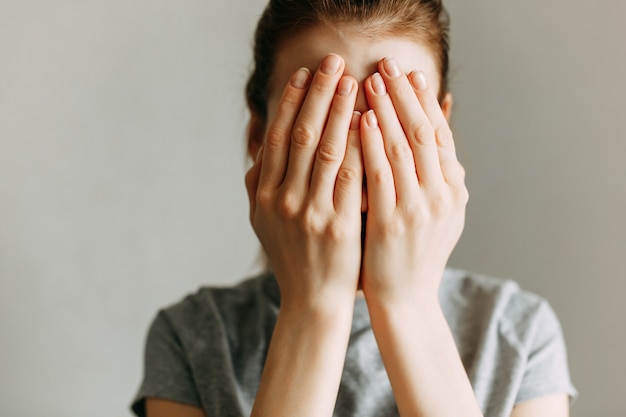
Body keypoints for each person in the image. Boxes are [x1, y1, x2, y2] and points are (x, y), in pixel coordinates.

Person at [131, 0, 577, 416]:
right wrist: (314, 306)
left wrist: (408, 305)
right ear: (259, 137)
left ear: (441, 134)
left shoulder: (516, 334)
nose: (359, 169)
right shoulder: (193, 338)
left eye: (395, 128)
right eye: (322, 122)